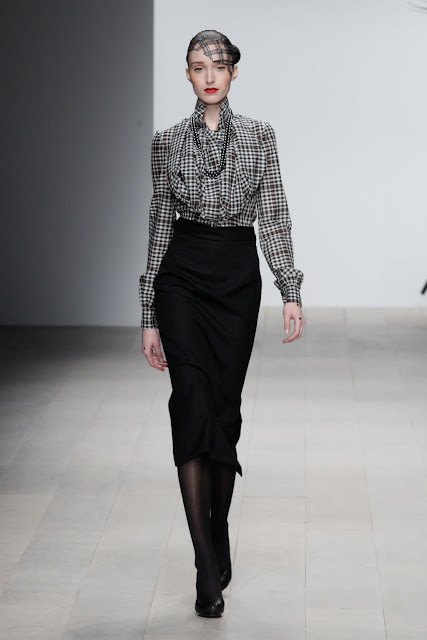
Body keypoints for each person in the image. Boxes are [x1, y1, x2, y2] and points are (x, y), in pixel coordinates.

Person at [139, 29, 305, 618]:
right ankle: (205, 564)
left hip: (236, 280)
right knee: (190, 403)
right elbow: (159, 223)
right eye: (197, 66)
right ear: (186, 74)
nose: (209, 76)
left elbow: (275, 215)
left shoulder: (261, 136)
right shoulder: (166, 142)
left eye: (218, 65)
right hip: (181, 278)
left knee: (224, 414)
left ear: (234, 71)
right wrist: (149, 313)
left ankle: (218, 525)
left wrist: (289, 289)